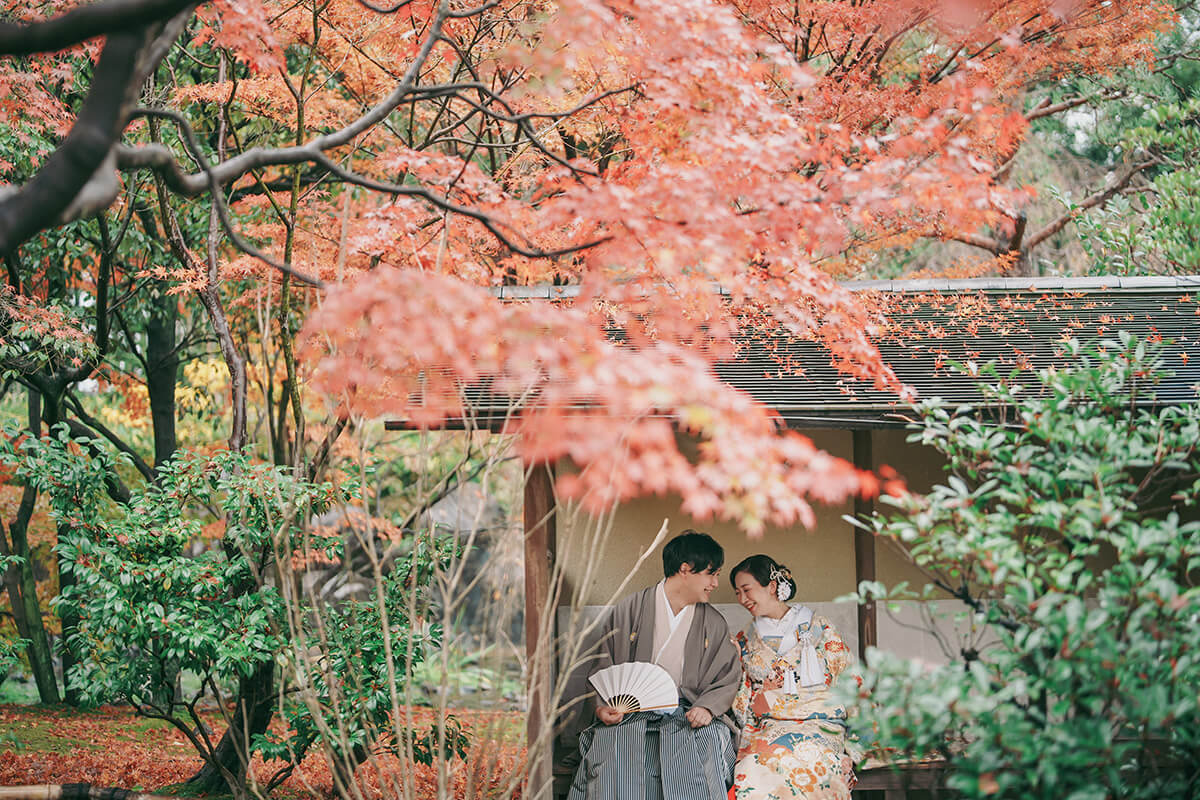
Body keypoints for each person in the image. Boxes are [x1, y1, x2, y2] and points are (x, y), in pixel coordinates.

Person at [566, 530, 742, 800]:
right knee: (613, 748)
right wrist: (603, 708)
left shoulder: (713, 622)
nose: (715, 583)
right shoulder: (630, 609)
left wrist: (707, 707)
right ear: (685, 569)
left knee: (705, 746)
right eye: (711, 574)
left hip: (688, 712)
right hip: (631, 712)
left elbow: (727, 676)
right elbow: (603, 665)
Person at [727, 555, 858, 800]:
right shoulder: (746, 638)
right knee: (755, 766)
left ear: (772, 587)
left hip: (820, 723)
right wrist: (735, 665)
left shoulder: (820, 627)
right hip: (770, 725)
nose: (742, 599)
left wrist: (860, 740)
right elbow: (742, 697)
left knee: (816, 762)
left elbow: (849, 679)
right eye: (737, 593)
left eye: (747, 590)